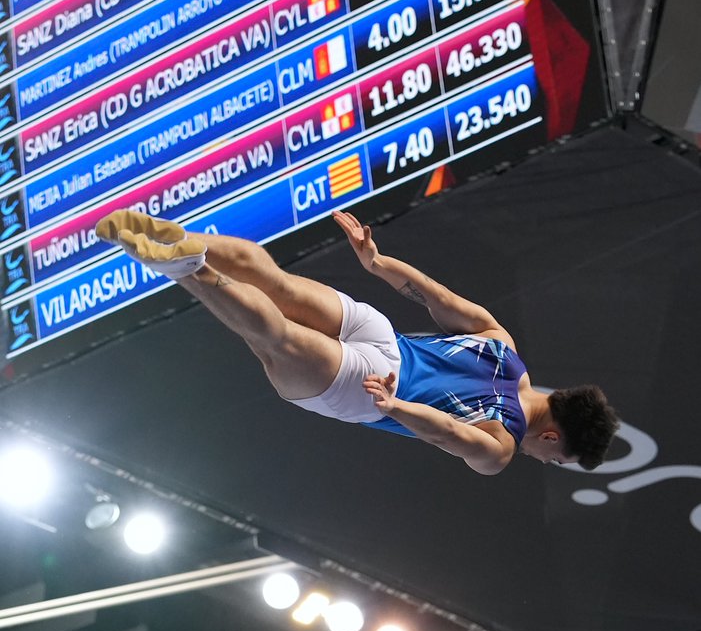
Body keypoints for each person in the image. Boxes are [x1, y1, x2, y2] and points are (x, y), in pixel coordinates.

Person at [95, 207, 619, 475]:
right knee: (274, 337)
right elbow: (450, 435)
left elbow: (437, 298)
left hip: (382, 336)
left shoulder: (502, 346)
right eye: (554, 460)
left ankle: (186, 240)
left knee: (276, 283)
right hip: (371, 389)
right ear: (551, 438)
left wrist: (379, 264)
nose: (542, 461)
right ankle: (189, 268)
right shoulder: (503, 445)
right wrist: (398, 406)